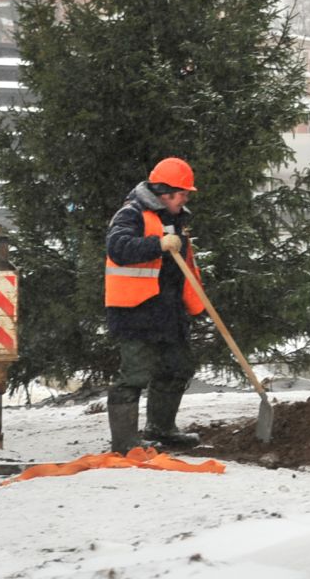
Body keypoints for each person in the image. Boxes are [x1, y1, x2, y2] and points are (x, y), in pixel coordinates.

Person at [104, 156, 207, 451]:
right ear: (165, 192)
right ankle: (125, 443)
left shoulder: (175, 219)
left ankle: (161, 429)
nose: (186, 198)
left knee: (177, 367)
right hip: (135, 311)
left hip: (168, 310)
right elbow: (118, 247)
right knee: (134, 374)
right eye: (183, 193)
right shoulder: (131, 213)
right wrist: (157, 244)